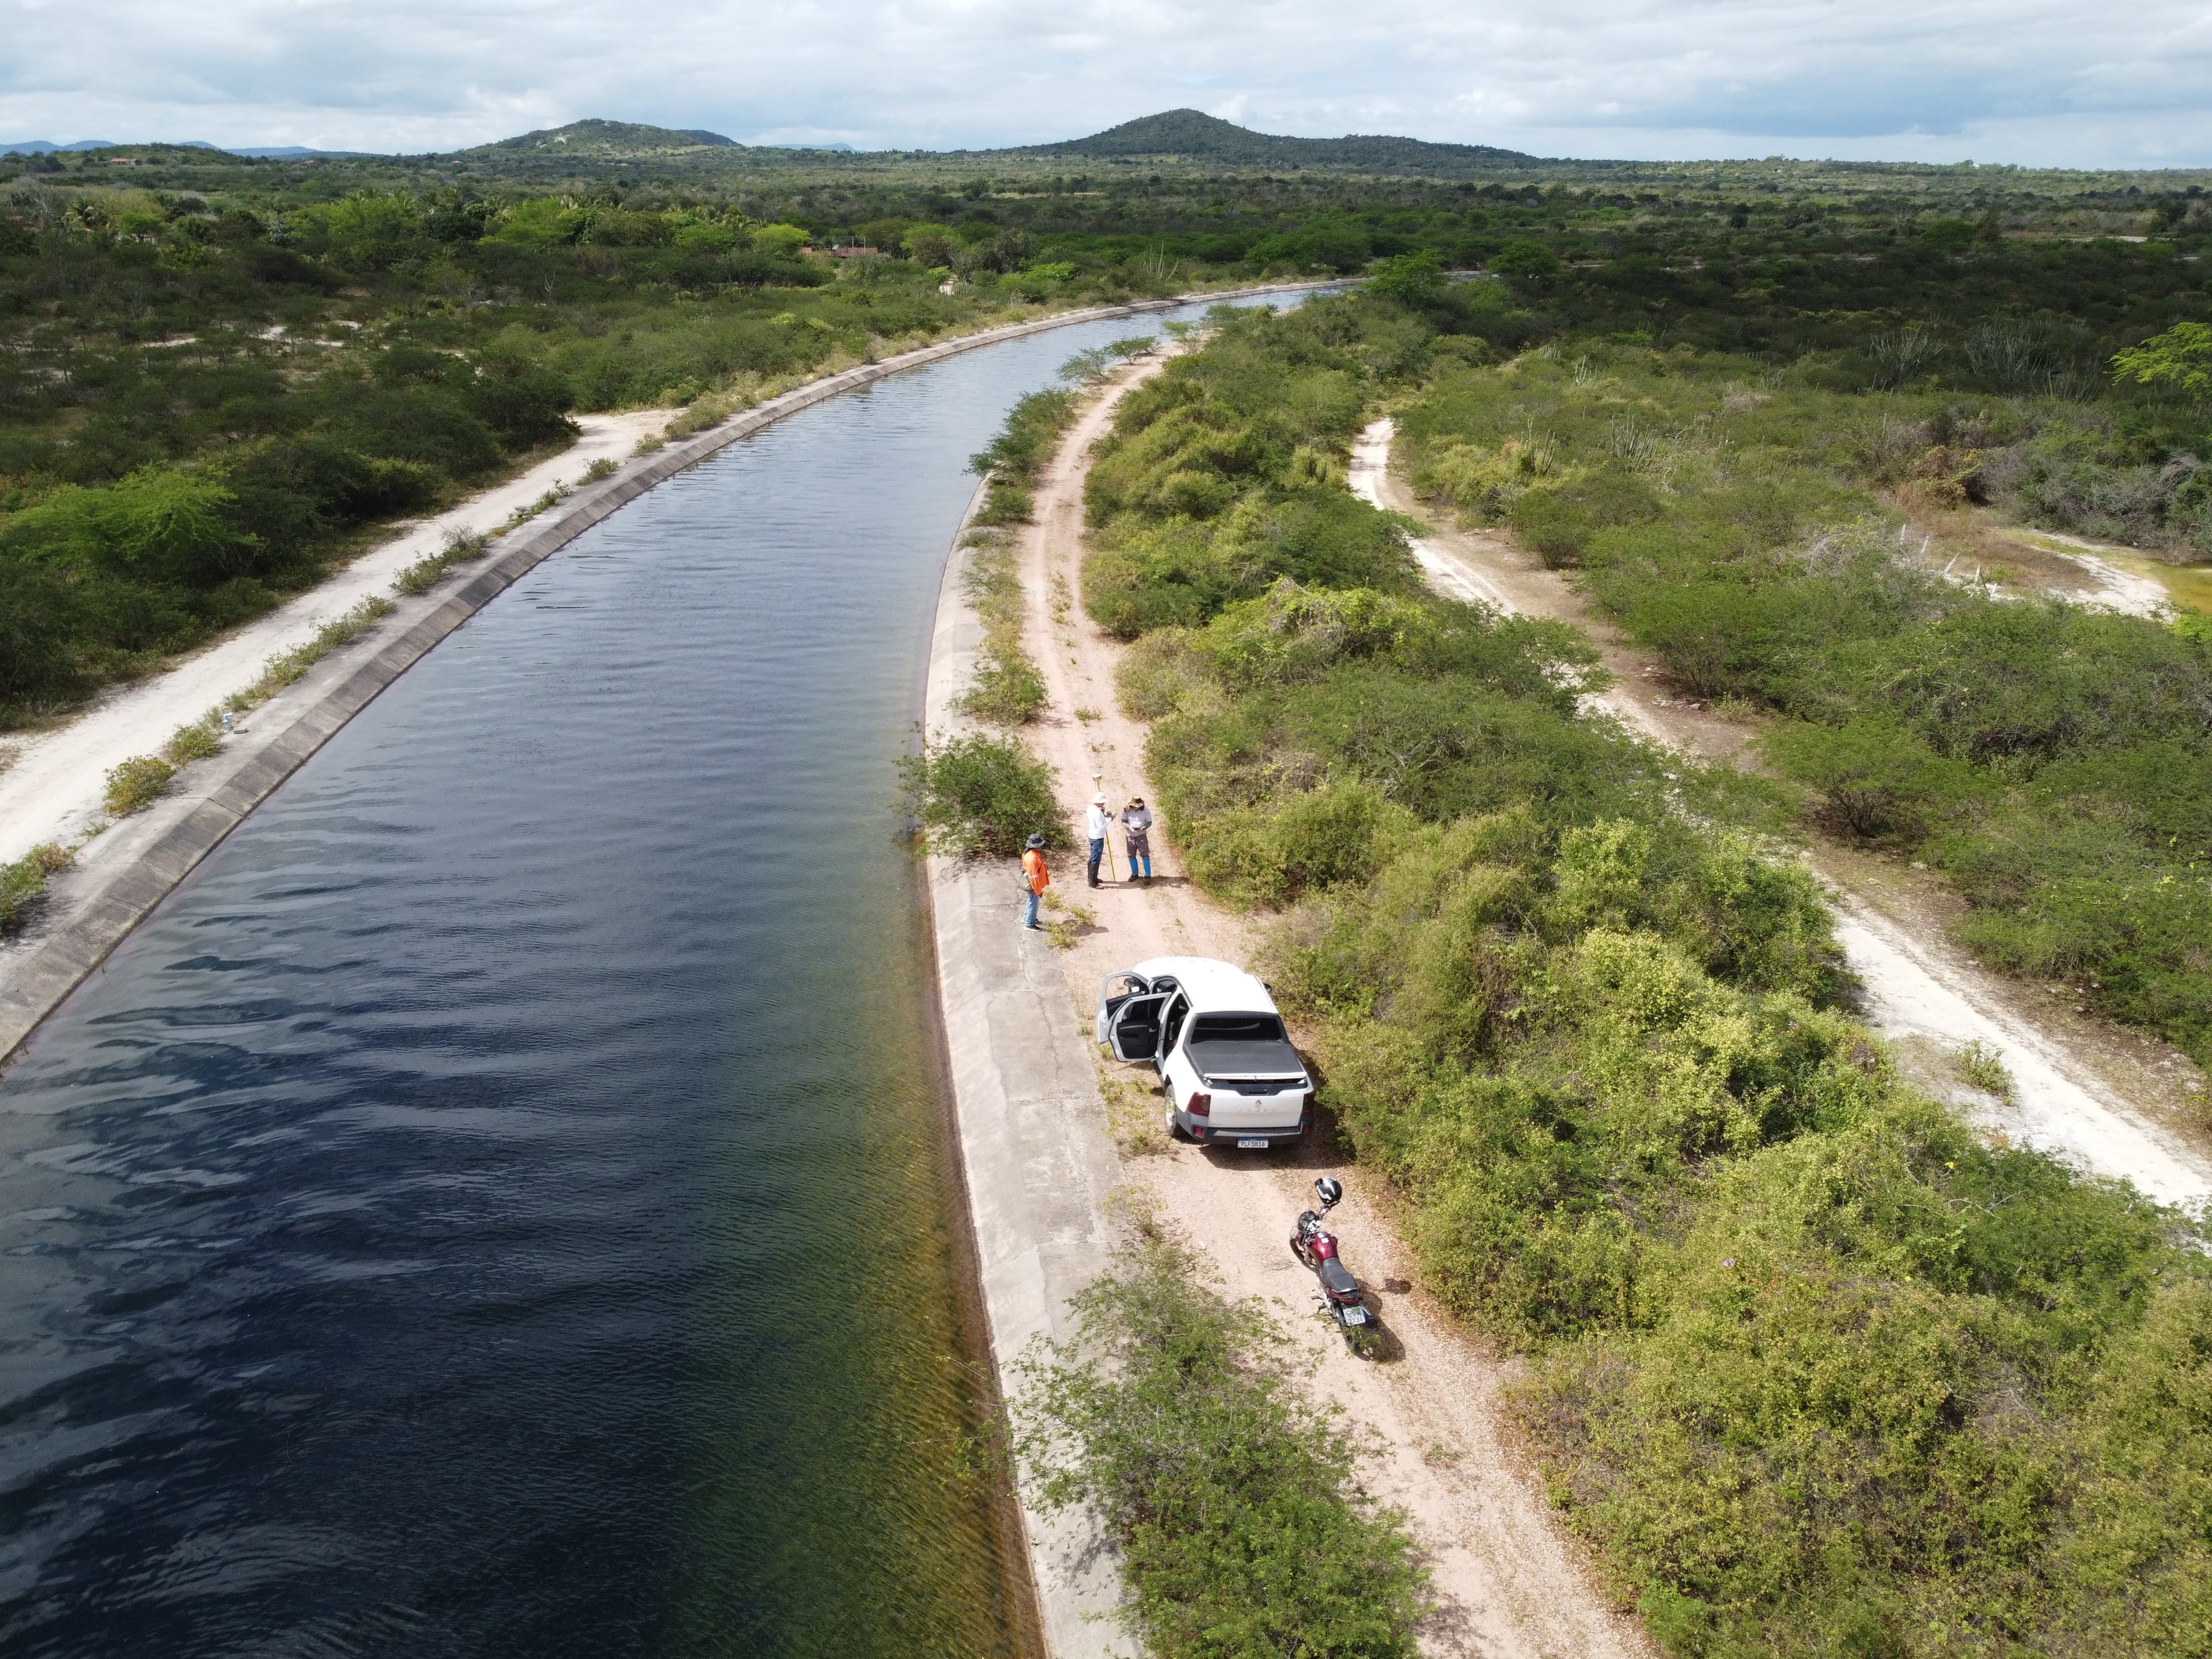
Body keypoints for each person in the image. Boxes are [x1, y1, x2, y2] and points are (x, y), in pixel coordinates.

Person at [1121, 796, 1154, 884]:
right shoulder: (1126, 810)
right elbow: (1123, 822)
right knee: (1131, 855)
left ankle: (1147, 875)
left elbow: (1149, 822)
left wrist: (1143, 828)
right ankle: (1134, 873)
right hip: (1130, 835)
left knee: (1145, 855)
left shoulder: (1146, 810)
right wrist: (1130, 827)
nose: (1136, 807)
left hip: (1142, 835)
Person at [1019, 832, 1049, 930]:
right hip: (1034, 885)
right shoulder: (1032, 858)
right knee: (1034, 904)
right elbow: (1034, 877)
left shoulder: (1030, 854)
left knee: (1031, 901)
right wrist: (1038, 891)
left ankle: (1027, 918)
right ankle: (1029, 924)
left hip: (1032, 884)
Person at [1084, 792, 1111, 888]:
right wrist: (1110, 819)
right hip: (1098, 837)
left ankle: (1092, 878)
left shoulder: (1090, 808)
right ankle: (1092, 882)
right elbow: (1101, 826)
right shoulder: (1098, 813)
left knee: (1092, 857)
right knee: (1096, 859)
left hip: (1092, 835)